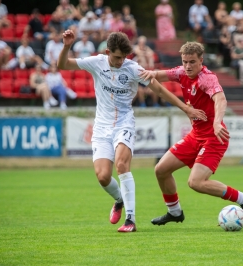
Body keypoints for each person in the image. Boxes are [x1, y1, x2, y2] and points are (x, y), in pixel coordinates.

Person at [57, 30, 207, 232]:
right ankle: (119, 199)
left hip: (124, 123)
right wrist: (67, 46)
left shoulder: (133, 69)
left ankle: (130, 220)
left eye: (124, 57)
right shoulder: (97, 62)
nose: (121, 62)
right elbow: (63, 65)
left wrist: (186, 108)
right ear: (108, 51)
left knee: (121, 164)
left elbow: (159, 90)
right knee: (102, 176)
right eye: (117, 57)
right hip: (101, 127)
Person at [139, 42, 243, 228]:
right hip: (196, 136)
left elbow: (220, 99)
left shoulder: (206, 79)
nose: (188, 66)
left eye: (192, 62)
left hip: (214, 138)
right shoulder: (181, 72)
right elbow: (159, 75)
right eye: (185, 61)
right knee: (160, 169)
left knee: (196, 182)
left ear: (201, 60)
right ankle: (175, 212)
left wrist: (217, 122)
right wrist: (150, 73)